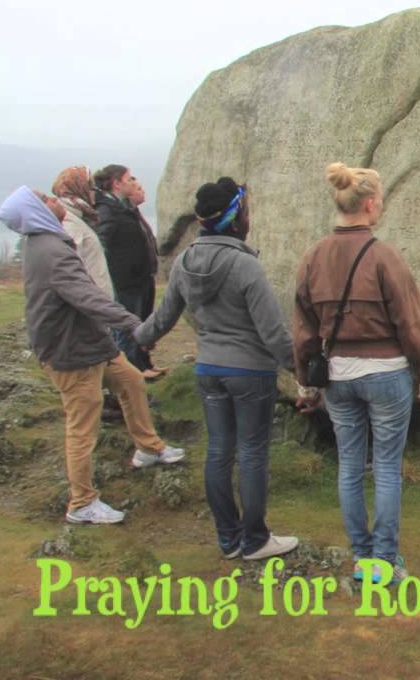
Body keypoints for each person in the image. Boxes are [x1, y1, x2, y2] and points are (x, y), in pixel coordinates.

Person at [0, 186, 184, 525]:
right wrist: (132, 324)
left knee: (131, 382)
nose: (56, 201)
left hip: (90, 341)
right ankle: (82, 503)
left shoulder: (46, 243)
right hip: (72, 351)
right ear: (37, 212)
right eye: (47, 199)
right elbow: (87, 298)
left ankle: (148, 447)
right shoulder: (52, 251)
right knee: (82, 427)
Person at [135, 177, 300, 561]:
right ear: (236, 218)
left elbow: (163, 318)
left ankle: (228, 539)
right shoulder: (246, 265)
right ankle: (256, 539)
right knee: (253, 454)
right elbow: (273, 332)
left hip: (208, 368)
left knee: (218, 452)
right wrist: (302, 370)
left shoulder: (184, 263)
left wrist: (134, 337)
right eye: (246, 211)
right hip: (250, 374)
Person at [292, 162, 420, 585]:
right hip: (387, 373)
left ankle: (361, 560)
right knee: (388, 468)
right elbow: (412, 324)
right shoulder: (384, 255)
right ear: (371, 204)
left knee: (349, 467)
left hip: (337, 374)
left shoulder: (313, 255)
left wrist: (305, 383)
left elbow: (303, 327)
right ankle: (385, 563)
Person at [93, 164, 162, 379]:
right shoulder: (107, 209)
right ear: (116, 183)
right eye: (128, 179)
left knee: (138, 325)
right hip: (125, 280)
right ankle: (132, 376)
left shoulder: (121, 207)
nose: (133, 182)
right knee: (126, 330)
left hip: (138, 277)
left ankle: (141, 368)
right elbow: (101, 244)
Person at [51, 167, 111, 297]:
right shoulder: (69, 221)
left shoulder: (80, 215)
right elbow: (73, 271)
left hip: (97, 300)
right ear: (79, 188)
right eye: (91, 188)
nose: (94, 193)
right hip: (93, 302)